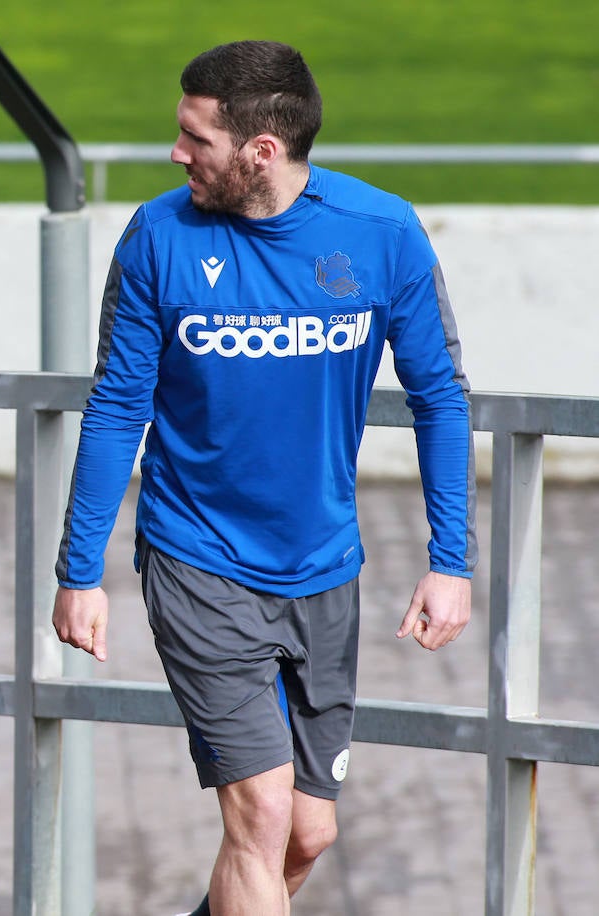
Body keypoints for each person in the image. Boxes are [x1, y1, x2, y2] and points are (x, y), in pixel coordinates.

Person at [51, 41, 475, 916]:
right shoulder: (157, 238)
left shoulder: (383, 233)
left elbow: (440, 396)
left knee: (306, 834)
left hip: (326, 569)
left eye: (195, 138)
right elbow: (116, 407)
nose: (177, 154)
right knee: (260, 814)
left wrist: (451, 559)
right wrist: (79, 570)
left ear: (261, 151)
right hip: (197, 561)